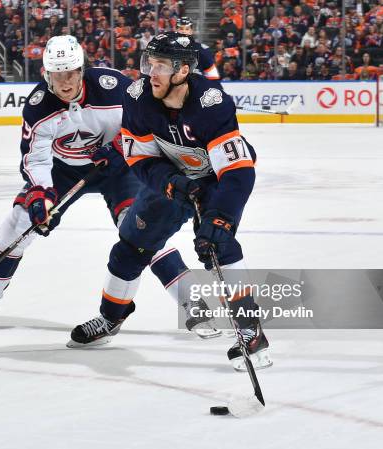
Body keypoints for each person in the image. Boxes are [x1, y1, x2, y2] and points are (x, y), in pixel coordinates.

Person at [0, 35, 220, 341]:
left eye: (71, 73)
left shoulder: (112, 86)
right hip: (63, 170)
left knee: (142, 229)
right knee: (21, 219)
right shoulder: (39, 107)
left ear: (82, 70)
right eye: (57, 75)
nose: (65, 82)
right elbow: (35, 159)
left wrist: (119, 147)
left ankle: (192, 302)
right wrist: (41, 195)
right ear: (45, 75)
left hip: (122, 168)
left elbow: (147, 119)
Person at [70, 32, 272, 371]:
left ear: (183, 71)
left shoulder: (212, 105)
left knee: (218, 246)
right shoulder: (137, 98)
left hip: (212, 180)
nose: (151, 72)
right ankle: (110, 318)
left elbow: (238, 172)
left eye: (161, 65)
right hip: (169, 179)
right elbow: (141, 160)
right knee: (130, 248)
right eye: (149, 63)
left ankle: (251, 333)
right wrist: (170, 183)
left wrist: (222, 217)